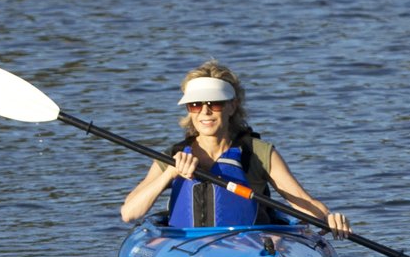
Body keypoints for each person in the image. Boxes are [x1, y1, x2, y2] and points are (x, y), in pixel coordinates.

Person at [118, 63, 349, 235]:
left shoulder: (258, 152)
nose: (205, 112)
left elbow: (301, 200)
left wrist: (329, 219)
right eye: (195, 105)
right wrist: (170, 173)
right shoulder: (173, 156)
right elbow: (130, 213)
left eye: (214, 104)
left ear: (232, 106)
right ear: (189, 110)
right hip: (187, 247)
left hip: (248, 247)